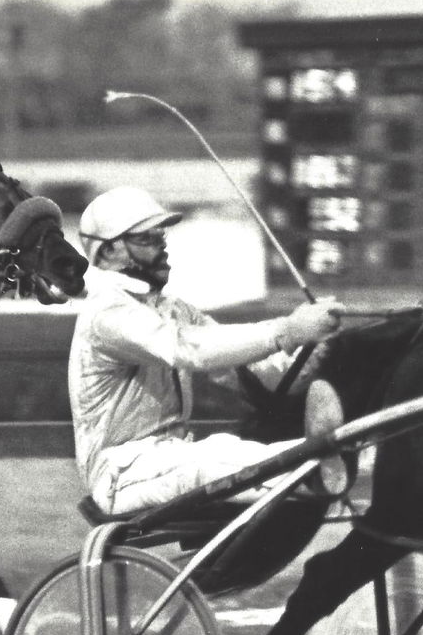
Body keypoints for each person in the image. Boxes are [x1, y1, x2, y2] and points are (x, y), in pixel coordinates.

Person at [69, 185, 343, 517]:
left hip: (167, 457)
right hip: (121, 474)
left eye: (162, 237)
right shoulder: (107, 312)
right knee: (211, 465)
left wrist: (317, 347)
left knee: (227, 448)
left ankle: (328, 451)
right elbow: (187, 349)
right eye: (148, 239)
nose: (163, 248)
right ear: (110, 251)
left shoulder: (173, 310)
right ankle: (317, 469)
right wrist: (287, 330)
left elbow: (251, 371)